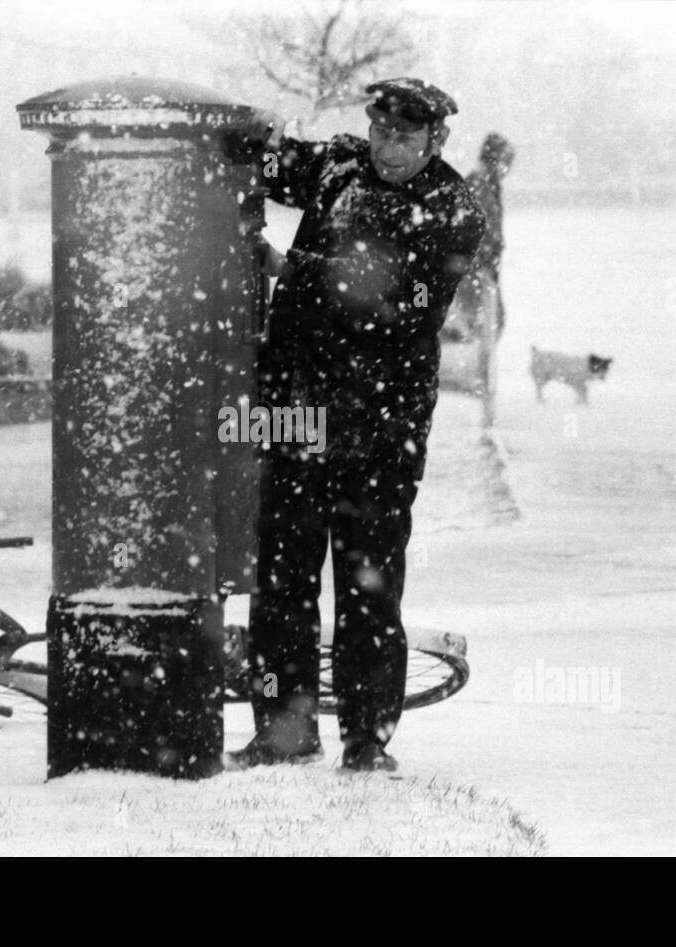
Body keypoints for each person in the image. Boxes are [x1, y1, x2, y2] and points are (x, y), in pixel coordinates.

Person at [228, 78, 487, 772]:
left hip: (381, 423)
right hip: (298, 408)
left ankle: (366, 740)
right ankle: (282, 732)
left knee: (368, 586)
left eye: (404, 137)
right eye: (380, 132)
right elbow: (270, 162)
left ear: (435, 140)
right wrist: (240, 133)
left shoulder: (453, 210)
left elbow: (396, 302)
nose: (387, 148)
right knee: (282, 580)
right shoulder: (340, 165)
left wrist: (293, 269)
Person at [457, 132, 514, 340]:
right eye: (506, 160)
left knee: (489, 325)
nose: (508, 168)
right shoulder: (479, 185)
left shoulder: (486, 185)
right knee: (481, 327)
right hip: (474, 270)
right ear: (495, 160)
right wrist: (481, 262)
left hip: (480, 268)